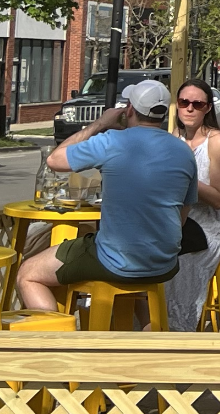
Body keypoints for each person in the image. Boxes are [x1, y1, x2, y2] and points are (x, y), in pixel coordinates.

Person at [18, 78, 195, 315]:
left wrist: (100, 123)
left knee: (28, 274)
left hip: (115, 260)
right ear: (163, 114)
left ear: (130, 109)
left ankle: (56, 338)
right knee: (139, 289)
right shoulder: (183, 151)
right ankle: (150, 342)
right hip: (164, 262)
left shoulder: (112, 141)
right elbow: (182, 215)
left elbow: (54, 160)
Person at [166, 81, 220, 332]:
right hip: (174, 225)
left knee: (174, 257)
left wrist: (187, 177)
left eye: (198, 104)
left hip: (205, 231)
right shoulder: (173, 138)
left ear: (208, 108)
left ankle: (178, 330)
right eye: (184, 103)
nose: (190, 109)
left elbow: (219, 198)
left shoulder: (217, 142)